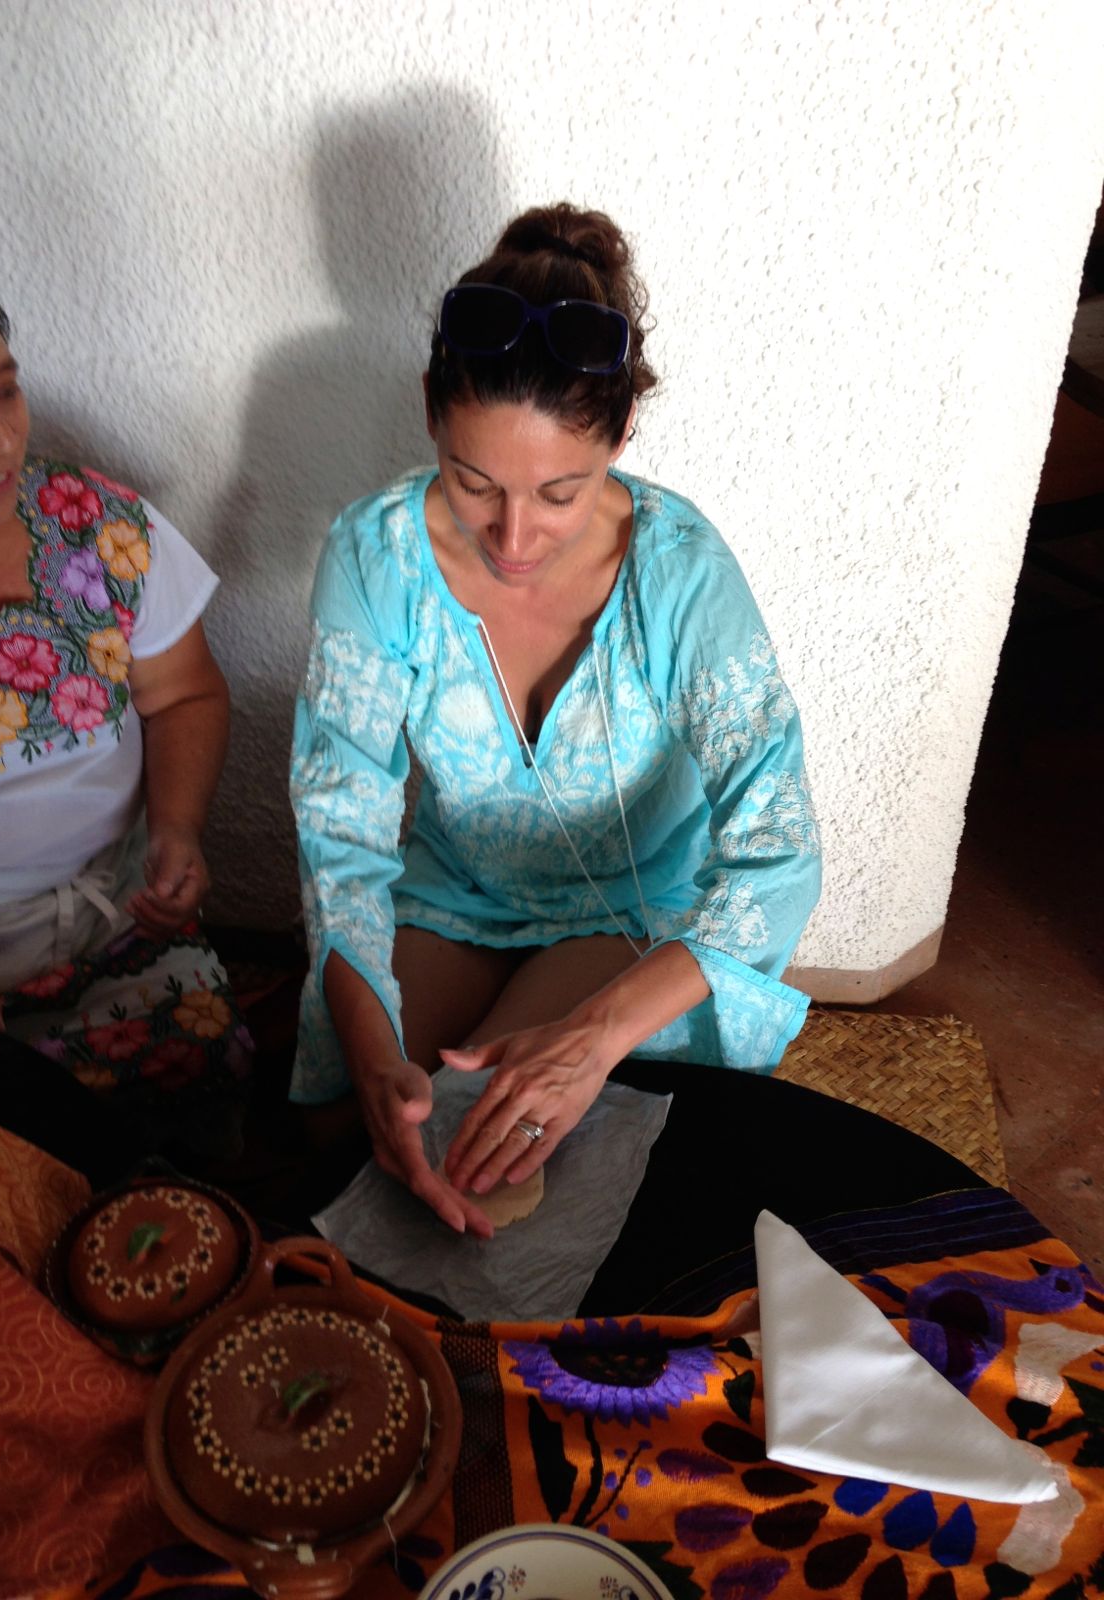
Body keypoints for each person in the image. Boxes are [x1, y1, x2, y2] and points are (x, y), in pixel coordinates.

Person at [291, 204, 821, 1234]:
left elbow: (779, 852)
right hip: (456, 894)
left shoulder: (681, 575)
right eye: (473, 481)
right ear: (432, 416)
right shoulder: (377, 555)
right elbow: (341, 828)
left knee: (487, 1149)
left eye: (562, 492)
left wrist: (596, 1037)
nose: (514, 535)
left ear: (623, 435)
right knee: (343, 1145)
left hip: (626, 913)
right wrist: (369, 1054)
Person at [0, 245, 250, 1160]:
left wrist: (176, 829)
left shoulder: (96, 527)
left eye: (5, 393)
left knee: (199, 1059)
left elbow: (182, 695)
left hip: (110, 919)